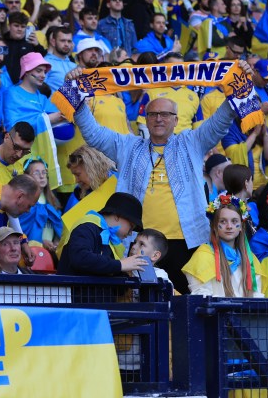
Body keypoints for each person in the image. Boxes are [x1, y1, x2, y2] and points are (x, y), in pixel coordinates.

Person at [73, 62, 252, 294]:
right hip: (141, 243)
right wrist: (76, 96)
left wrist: (238, 82)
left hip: (186, 241)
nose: (159, 119)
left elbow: (220, 123)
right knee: (143, 301)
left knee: (186, 303)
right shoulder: (127, 146)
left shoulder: (192, 142)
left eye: (165, 114)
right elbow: (94, 134)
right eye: (153, 114)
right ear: (146, 119)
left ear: (176, 120)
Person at [182, 195, 268, 297]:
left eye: (234, 221)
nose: (229, 226)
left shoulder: (251, 259)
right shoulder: (203, 256)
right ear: (214, 226)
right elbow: (201, 295)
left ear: (241, 227)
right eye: (223, 221)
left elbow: (256, 295)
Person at [57, 192, 148, 276]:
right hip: (73, 292)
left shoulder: (110, 240)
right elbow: (80, 257)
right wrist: (120, 264)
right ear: (118, 216)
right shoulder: (86, 227)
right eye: (131, 226)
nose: (130, 233)